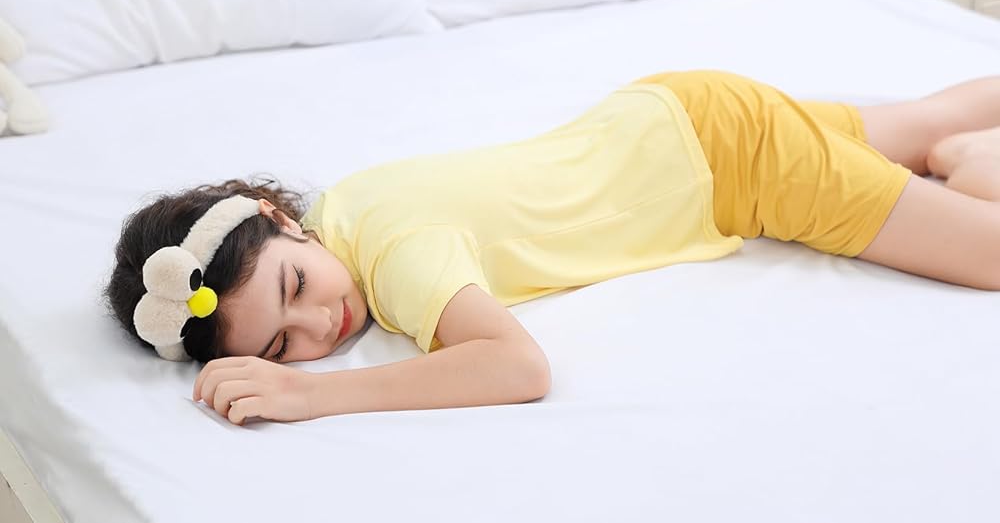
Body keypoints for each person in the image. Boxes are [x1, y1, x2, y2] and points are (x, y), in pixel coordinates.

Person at [104, 70, 1000, 425]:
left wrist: (312, 391)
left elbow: (517, 365)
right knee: (928, 120)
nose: (320, 322)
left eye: (296, 286)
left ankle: (965, 166)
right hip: (678, 111)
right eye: (280, 344)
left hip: (735, 165)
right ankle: (955, 150)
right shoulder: (345, 205)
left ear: (282, 218)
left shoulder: (400, 256)